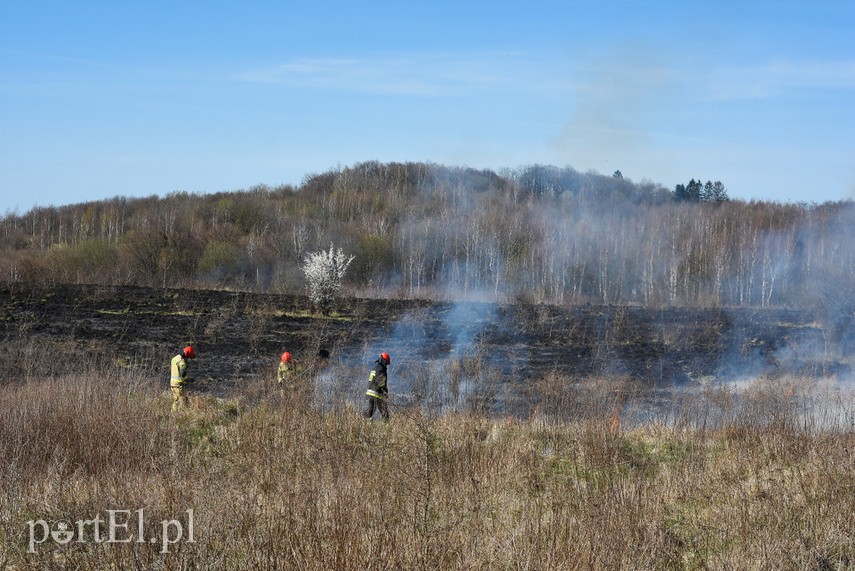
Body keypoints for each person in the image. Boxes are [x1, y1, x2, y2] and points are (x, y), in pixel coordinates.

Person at [364, 352, 390, 421]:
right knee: (385, 413)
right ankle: (386, 426)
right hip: (376, 393)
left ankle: (365, 423)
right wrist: (385, 391)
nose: (387, 365)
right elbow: (381, 383)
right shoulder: (381, 370)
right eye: (386, 363)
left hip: (370, 391)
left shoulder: (375, 367)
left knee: (370, 410)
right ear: (384, 361)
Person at [170, 345, 195, 411]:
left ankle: (180, 413)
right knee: (179, 401)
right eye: (188, 357)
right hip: (179, 384)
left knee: (178, 400)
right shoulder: (182, 362)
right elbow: (182, 374)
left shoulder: (175, 358)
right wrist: (189, 379)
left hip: (172, 383)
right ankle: (176, 415)